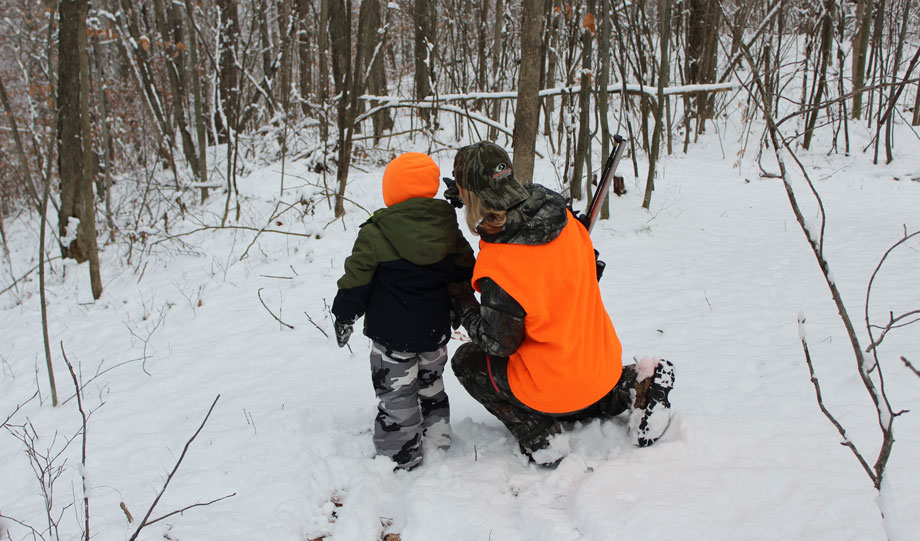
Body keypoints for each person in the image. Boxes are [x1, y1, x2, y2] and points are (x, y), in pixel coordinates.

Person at [446, 141, 675, 465]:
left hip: (552, 390)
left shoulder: (501, 264)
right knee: (582, 372)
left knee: (466, 361)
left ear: (471, 196)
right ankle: (633, 384)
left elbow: (498, 344)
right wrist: (472, 194)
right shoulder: (564, 220)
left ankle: (539, 434)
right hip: (601, 368)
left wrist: (463, 304)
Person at [331, 152, 475, 470]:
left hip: (391, 337)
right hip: (435, 333)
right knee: (431, 385)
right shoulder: (448, 227)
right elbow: (466, 269)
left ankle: (401, 453)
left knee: (397, 394)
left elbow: (356, 281)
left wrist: (344, 314)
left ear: (391, 190)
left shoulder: (377, 232)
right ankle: (438, 438)